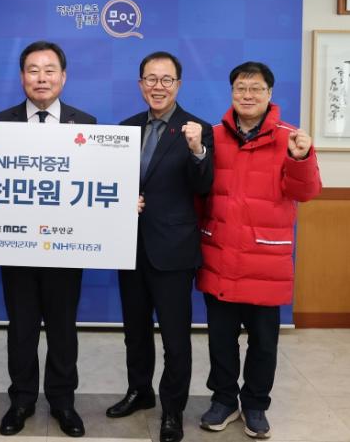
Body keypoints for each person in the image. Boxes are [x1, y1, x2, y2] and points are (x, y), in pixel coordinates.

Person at [197, 61, 321, 440]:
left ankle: (255, 404)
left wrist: (300, 159)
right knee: (220, 340)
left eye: (255, 89)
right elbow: (198, 190)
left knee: (264, 344)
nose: (247, 95)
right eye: (240, 88)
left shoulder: (290, 138)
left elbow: (306, 192)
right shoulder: (213, 135)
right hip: (220, 256)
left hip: (266, 261)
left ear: (270, 93)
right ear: (231, 92)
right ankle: (223, 400)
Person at [0, 40, 96, 438]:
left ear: (63, 77)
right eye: (33, 70)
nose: (41, 78)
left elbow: (96, 182)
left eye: (49, 70)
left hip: (66, 248)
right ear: (22, 77)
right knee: (21, 328)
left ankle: (63, 401)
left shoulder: (86, 124)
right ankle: (21, 400)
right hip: (16, 246)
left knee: (63, 328)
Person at [106, 51, 214, 442]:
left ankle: (172, 410)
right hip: (129, 246)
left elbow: (203, 186)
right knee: (135, 331)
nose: (158, 86)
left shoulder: (197, 130)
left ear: (178, 85)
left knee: (175, 338)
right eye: (150, 79)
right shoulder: (125, 129)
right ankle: (140, 391)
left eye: (166, 79)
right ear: (140, 85)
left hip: (173, 250)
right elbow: (111, 184)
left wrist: (197, 150)